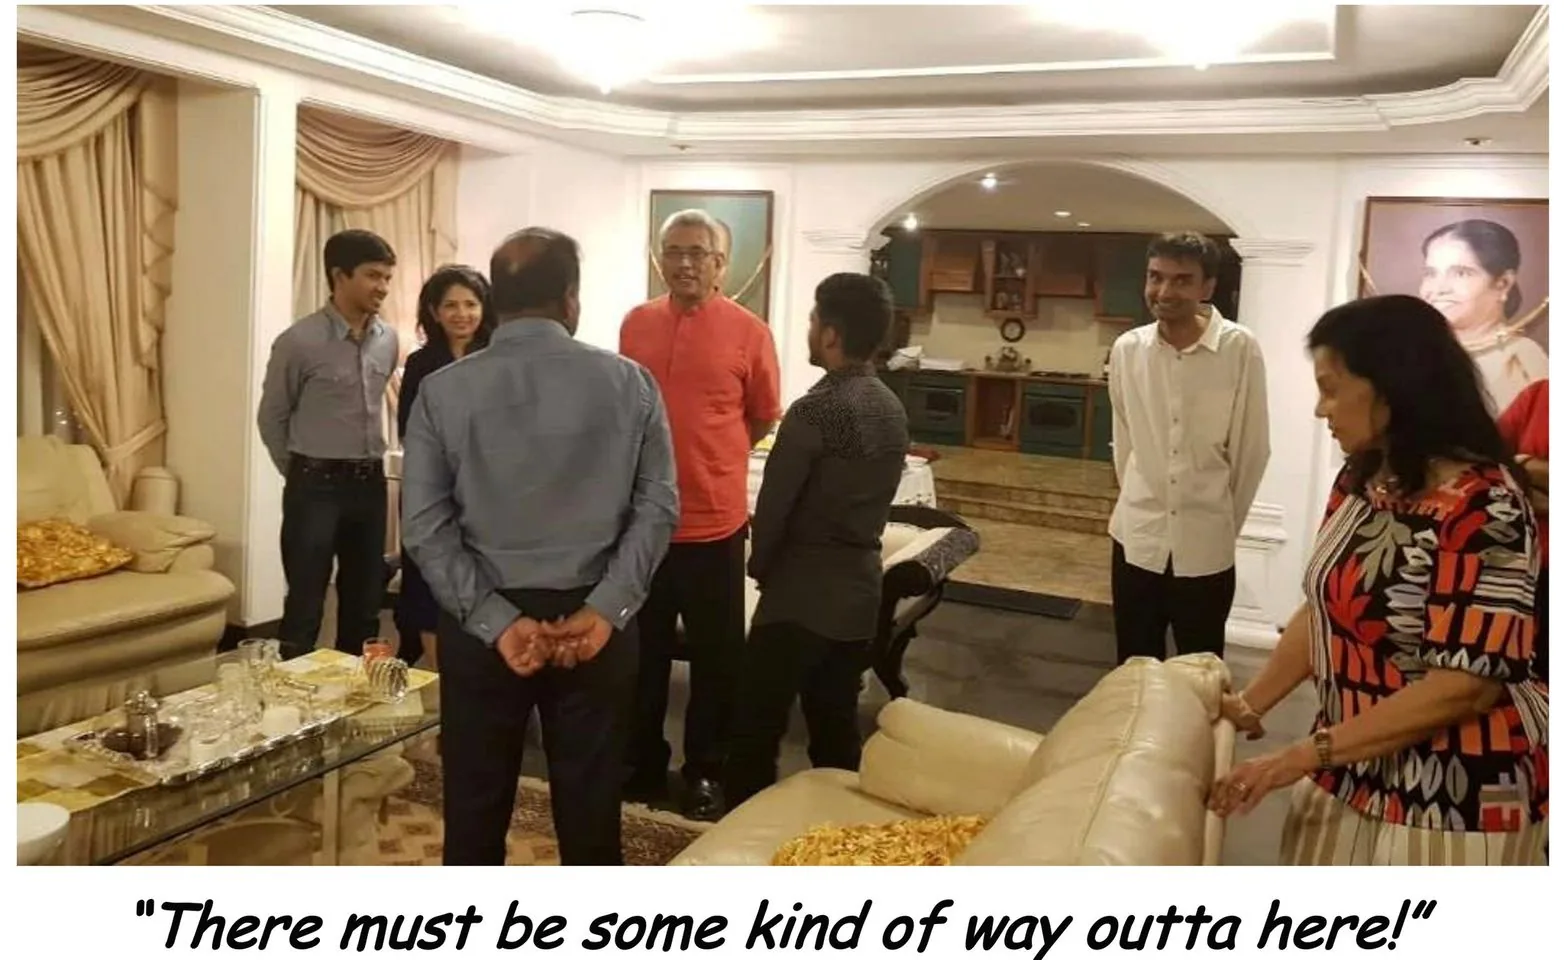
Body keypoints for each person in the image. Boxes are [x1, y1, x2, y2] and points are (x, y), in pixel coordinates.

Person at [1208, 294, 1547, 866]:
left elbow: (1465, 686)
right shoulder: (1363, 477)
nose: (1321, 409)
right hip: (1349, 762)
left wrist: (1300, 756)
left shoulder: (1486, 504)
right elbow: (1327, 608)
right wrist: (1250, 704)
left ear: (1392, 387)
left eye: (1332, 389)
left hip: (1458, 792)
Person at [400, 227, 678, 865]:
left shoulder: (443, 390)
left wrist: (496, 621)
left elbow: (424, 525)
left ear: (495, 301)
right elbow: (658, 507)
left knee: (473, 810)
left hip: (481, 621)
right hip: (594, 622)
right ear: (571, 299)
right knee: (592, 812)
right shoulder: (631, 383)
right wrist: (606, 609)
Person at [619, 208, 782, 820]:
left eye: (697, 253)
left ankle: (707, 770)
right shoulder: (636, 324)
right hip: (643, 524)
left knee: (718, 662)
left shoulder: (749, 332)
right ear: (660, 259)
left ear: (721, 265)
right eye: (674, 251)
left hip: (714, 524)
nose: (685, 263)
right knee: (641, 656)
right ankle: (640, 763)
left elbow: (761, 416)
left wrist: (714, 456)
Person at [723, 273, 909, 810]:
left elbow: (776, 507)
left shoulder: (816, 410)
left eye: (812, 320)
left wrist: (761, 566)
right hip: (859, 593)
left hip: (800, 596)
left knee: (755, 729)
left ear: (830, 334)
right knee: (834, 729)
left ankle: (744, 830)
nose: (809, 330)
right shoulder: (890, 406)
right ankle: (836, 834)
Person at [1106, 231, 1270, 664]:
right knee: (1134, 668)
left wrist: (1218, 522)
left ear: (1207, 287)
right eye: (1155, 277)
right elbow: (1125, 443)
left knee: (1200, 669)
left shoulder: (1238, 348)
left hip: (1205, 546)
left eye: (1181, 280)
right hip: (1137, 538)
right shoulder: (1127, 350)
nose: (1164, 291)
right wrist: (1142, 498)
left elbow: (1252, 450)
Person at [258, 229, 399, 660]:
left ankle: (355, 693)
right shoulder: (299, 341)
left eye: (387, 277)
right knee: (305, 603)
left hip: (370, 484)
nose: (382, 287)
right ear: (339, 276)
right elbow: (272, 417)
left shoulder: (388, 340)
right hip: (314, 484)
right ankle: (293, 696)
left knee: (364, 605)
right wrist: (301, 472)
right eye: (373, 275)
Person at [394, 265, 496, 670]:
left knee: (481, 575)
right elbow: (408, 429)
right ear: (434, 312)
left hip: (486, 491)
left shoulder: (498, 359)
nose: (462, 314)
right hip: (432, 488)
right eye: (451, 305)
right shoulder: (421, 363)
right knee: (426, 580)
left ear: (484, 309)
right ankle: (440, 678)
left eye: (471, 304)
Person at [1419, 219, 1546, 413]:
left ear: (1503, 283)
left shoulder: (1524, 362)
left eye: (1461, 273)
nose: (1438, 289)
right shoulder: (1414, 352)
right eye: (1430, 273)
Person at [1498, 378, 1548, 684]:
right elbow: (1489, 461)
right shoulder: (1539, 395)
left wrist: (1526, 467)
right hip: (1527, 569)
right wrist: (1527, 465)